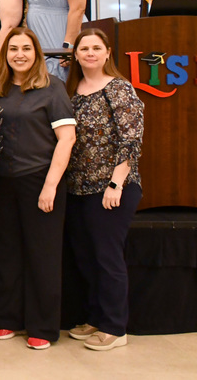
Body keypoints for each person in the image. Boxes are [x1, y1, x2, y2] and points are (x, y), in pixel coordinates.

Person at [0, 28, 76, 350]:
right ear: (5, 53)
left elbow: (67, 140)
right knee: (5, 253)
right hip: (2, 182)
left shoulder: (53, 89)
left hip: (40, 179)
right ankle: (5, 318)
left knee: (43, 255)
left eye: (26, 48)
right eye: (13, 49)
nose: (19, 54)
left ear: (36, 53)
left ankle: (42, 326)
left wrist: (50, 186)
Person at [64, 29, 144, 352]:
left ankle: (114, 327)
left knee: (108, 258)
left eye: (97, 47)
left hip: (111, 189)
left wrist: (115, 183)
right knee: (86, 256)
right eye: (85, 48)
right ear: (76, 55)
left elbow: (131, 140)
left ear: (108, 53)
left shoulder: (120, 89)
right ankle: (96, 317)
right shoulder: (73, 89)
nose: (91, 53)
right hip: (78, 187)